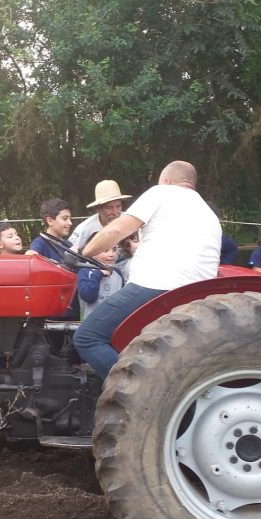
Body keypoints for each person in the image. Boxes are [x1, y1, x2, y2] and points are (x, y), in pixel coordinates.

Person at [73, 161, 221, 380]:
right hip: (197, 292)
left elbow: (116, 230)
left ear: (167, 181)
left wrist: (83, 252)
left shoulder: (162, 192)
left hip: (157, 286)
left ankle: (136, 389)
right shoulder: (207, 212)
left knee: (87, 337)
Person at [29, 198, 79, 319]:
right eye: (65, 218)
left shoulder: (68, 245)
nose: (70, 223)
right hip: (51, 312)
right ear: (50, 220)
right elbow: (30, 257)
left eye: (70, 218)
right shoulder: (40, 242)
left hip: (71, 308)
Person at [68, 180, 131, 251]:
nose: (115, 212)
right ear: (98, 208)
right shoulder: (84, 229)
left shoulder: (130, 221)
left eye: (118, 206)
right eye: (109, 208)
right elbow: (70, 252)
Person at [77, 235, 124, 319]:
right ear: (92, 253)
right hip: (92, 322)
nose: (111, 254)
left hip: (114, 321)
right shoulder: (85, 272)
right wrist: (97, 275)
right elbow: (88, 297)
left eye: (114, 250)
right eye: (105, 250)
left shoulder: (117, 273)